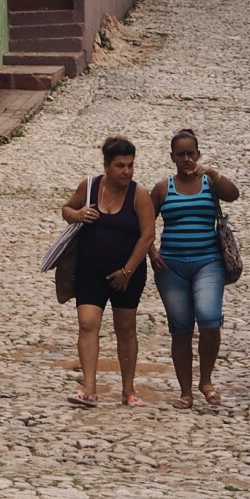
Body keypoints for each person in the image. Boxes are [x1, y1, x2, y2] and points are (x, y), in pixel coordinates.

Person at [61, 137, 157, 407]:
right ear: (106, 165)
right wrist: (78, 214)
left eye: (130, 165)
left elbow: (147, 236)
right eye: (120, 166)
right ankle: (89, 388)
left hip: (128, 274)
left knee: (126, 329)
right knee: (87, 324)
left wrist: (128, 271)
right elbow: (66, 209)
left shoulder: (139, 195)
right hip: (90, 269)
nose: (126, 171)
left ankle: (128, 390)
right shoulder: (89, 187)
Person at [150, 129, 241, 409]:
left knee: (210, 319)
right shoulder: (163, 188)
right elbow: (144, 223)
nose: (187, 159)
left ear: (198, 154)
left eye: (191, 153)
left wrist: (213, 173)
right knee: (180, 329)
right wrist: (151, 251)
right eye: (181, 154)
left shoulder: (209, 183)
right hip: (171, 267)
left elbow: (233, 195)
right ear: (172, 157)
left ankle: (206, 381)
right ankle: (186, 391)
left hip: (208, 262)